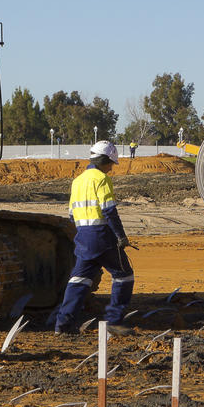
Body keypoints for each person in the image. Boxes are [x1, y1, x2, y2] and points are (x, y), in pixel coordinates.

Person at [54, 140, 134, 333]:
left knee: (79, 280)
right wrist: (121, 236)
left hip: (83, 238)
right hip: (103, 237)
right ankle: (114, 321)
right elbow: (109, 211)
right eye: (110, 164)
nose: (111, 169)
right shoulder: (101, 179)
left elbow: (72, 215)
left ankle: (63, 325)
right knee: (124, 275)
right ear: (103, 160)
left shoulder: (78, 181)